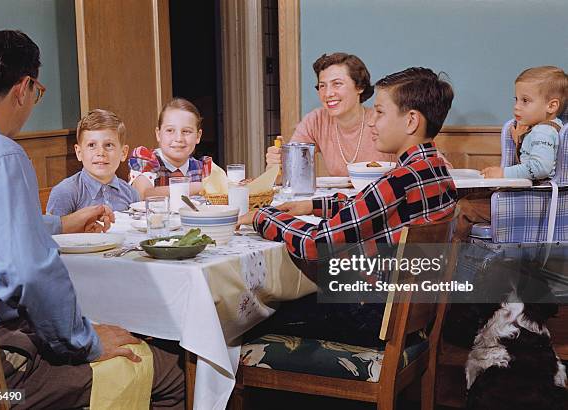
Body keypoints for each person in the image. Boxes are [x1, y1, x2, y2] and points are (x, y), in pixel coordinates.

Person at [0, 30, 184, 409]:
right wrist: (86, 343)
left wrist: (62, 223)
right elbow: (28, 273)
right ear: (23, 88)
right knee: (169, 374)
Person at [240, 67, 457, 346]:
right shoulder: (434, 170)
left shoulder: (396, 180)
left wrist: (262, 216)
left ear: (411, 121)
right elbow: (369, 207)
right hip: (406, 316)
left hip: (370, 315)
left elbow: (315, 244)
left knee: (252, 316)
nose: (372, 122)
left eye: (379, 112)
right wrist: (312, 205)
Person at [455, 66, 567, 241]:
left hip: (533, 200)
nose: (517, 107)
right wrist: (520, 138)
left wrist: (503, 173)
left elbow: (540, 168)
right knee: (471, 199)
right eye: (516, 99)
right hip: (527, 196)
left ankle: (451, 258)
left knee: (464, 207)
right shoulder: (540, 130)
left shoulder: (543, 131)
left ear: (551, 105)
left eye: (525, 101)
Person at [265, 52, 394, 177]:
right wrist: (278, 165)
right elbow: (290, 176)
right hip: (339, 198)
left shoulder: (382, 121)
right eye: (322, 86)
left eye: (337, 84)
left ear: (360, 87)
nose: (327, 94)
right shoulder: (316, 120)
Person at [47, 109, 139, 216]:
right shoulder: (65, 192)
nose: (100, 153)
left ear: (123, 153)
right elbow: (53, 230)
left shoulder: (131, 194)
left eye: (108, 145)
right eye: (91, 145)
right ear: (79, 152)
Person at [129, 98, 206, 199]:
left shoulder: (203, 168)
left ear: (198, 136)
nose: (179, 138)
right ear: (158, 134)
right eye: (170, 130)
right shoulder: (146, 161)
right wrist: (198, 187)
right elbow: (143, 194)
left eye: (186, 131)